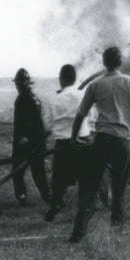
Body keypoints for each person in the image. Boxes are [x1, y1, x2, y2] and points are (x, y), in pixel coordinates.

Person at [68, 46, 130, 243]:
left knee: (89, 187)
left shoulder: (95, 85)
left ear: (104, 63)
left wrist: (73, 138)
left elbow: (80, 115)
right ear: (120, 62)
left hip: (101, 139)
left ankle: (78, 233)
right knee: (119, 189)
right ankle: (116, 233)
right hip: (122, 141)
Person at [41, 64, 92, 222]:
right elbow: (90, 116)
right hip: (82, 141)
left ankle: (56, 203)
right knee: (85, 178)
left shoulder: (52, 99)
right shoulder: (83, 95)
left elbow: (47, 124)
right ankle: (86, 207)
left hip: (62, 144)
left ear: (61, 80)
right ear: (74, 79)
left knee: (59, 179)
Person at [11, 68, 51, 208]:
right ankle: (48, 198)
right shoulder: (34, 98)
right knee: (38, 172)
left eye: (18, 84)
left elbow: (29, 122)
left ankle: (23, 199)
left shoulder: (23, 99)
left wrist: (24, 138)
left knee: (17, 171)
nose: (17, 86)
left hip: (25, 143)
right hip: (36, 142)